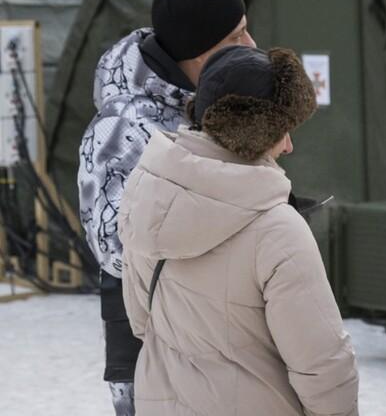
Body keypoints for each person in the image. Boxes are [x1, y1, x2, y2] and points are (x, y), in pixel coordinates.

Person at [118, 45, 359, 416]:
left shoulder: (145, 196)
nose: (290, 146)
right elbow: (322, 363)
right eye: (283, 131)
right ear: (254, 132)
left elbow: (141, 322)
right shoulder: (277, 228)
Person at [77, 0, 255, 415]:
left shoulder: (209, 103)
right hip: (149, 344)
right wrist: (226, 213)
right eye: (237, 35)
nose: (252, 44)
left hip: (215, 332)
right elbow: (115, 248)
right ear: (199, 50)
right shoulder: (121, 128)